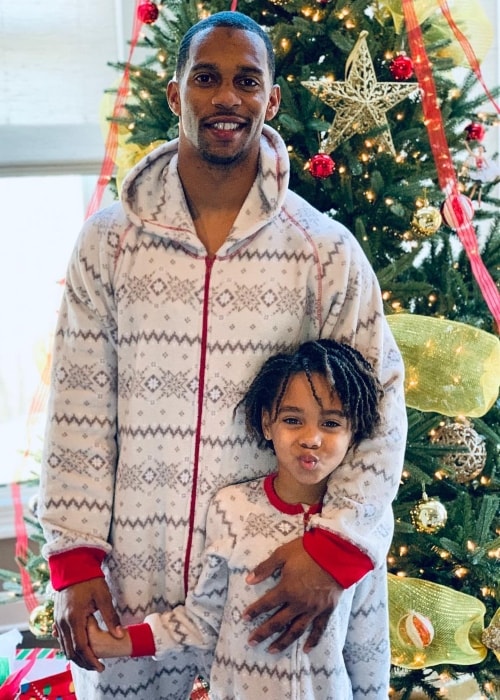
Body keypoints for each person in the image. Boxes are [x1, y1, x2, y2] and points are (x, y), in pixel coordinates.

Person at [38, 10, 407, 700]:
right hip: (131, 585)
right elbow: (79, 405)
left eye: (246, 81)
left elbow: (377, 411)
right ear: (175, 93)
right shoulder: (109, 243)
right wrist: (75, 557)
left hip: (269, 591)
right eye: (206, 78)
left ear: (270, 100)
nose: (226, 98)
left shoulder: (324, 252)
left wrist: (334, 548)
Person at [87, 339, 390, 699]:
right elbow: (204, 620)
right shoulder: (231, 508)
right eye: (293, 420)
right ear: (267, 424)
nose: (311, 438)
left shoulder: (359, 526)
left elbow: (368, 643)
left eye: (331, 423)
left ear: (352, 432)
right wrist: (116, 643)